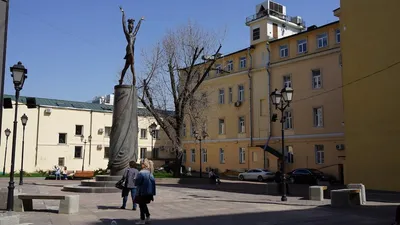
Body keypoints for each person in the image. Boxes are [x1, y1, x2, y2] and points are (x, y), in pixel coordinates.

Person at [134, 158, 156, 224]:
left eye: (142, 163)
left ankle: (142, 220)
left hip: (141, 192)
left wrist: (135, 179)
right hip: (149, 192)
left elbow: (137, 182)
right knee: (144, 205)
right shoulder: (150, 173)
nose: (141, 164)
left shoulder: (141, 173)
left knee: (141, 205)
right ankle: (148, 216)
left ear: (144, 165)